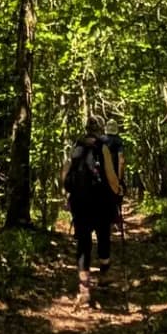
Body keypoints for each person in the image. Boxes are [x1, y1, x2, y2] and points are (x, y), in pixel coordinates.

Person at [63, 114, 124, 305]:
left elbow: (65, 174)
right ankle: (104, 273)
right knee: (104, 235)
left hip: (80, 203)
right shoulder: (102, 147)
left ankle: (84, 289)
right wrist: (118, 190)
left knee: (83, 244)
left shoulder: (76, 147)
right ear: (99, 129)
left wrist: (68, 195)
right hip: (101, 202)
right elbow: (110, 174)